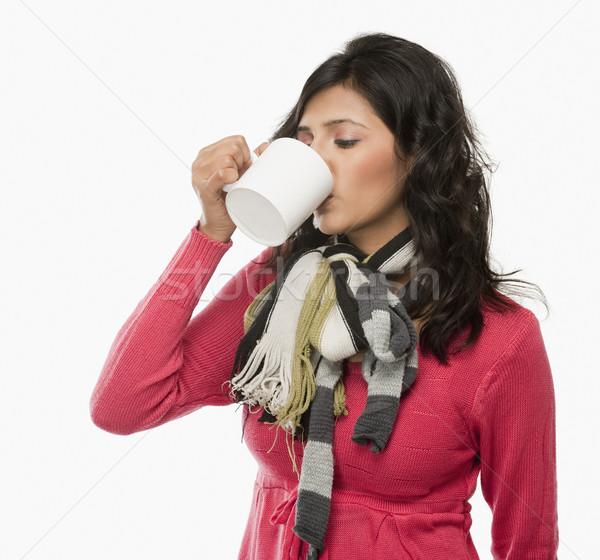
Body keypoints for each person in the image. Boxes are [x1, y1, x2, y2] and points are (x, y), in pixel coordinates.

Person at [89, 32, 559, 559]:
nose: (319, 162)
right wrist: (211, 233)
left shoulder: (502, 337)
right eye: (306, 142)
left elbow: (529, 542)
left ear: (418, 154)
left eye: (346, 140)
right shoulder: (279, 287)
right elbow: (123, 406)